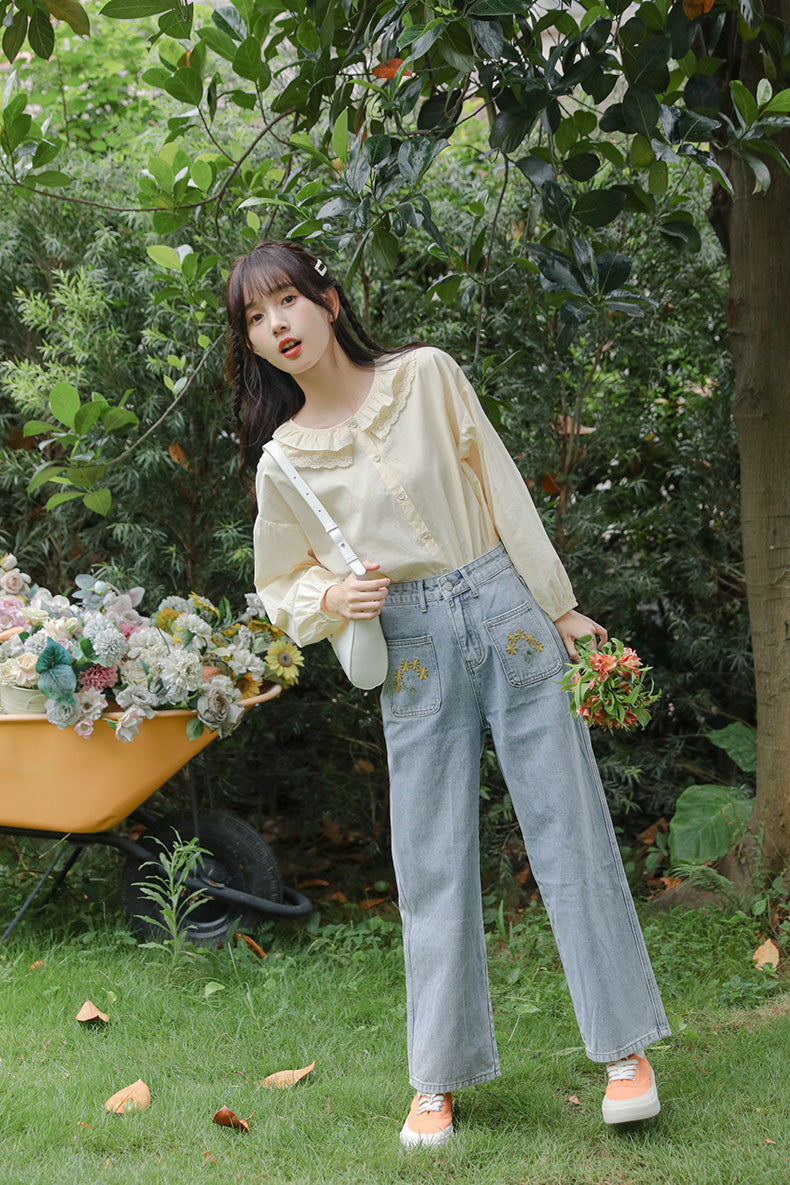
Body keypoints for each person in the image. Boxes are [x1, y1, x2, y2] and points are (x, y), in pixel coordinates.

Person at [226, 239, 670, 1149]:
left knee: (569, 826)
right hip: (413, 643)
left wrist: (560, 607)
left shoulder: (426, 376)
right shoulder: (285, 462)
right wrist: (331, 599)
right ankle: (437, 1076)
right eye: (256, 319)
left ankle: (626, 1051)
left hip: (503, 601)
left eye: (287, 302)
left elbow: (502, 489)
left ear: (329, 301)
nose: (276, 326)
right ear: (254, 343)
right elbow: (279, 583)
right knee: (429, 856)